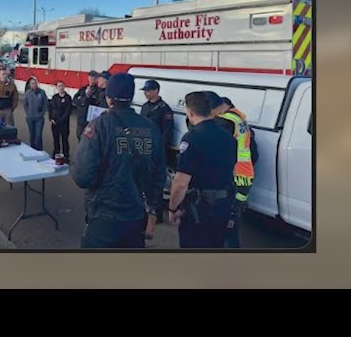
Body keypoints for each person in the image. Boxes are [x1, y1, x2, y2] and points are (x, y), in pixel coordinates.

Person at [72, 73, 165, 248]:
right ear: (131, 97)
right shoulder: (151, 128)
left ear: (108, 98)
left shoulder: (98, 125)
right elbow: (159, 176)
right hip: (137, 215)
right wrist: (153, 211)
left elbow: (83, 176)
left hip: (104, 214)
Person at [167, 91, 237, 248]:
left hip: (198, 210)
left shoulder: (191, 138)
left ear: (190, 112)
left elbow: (181, 182)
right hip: (223, 205)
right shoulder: (229, 137)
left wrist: (172, 208)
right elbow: (233, 171)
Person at [209, 94, 256, 249]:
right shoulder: (238, 117)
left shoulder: (225, 121)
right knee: (234, 218)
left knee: (226, 223)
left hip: (233, 173)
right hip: (244, 171)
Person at [140, 79, 175, 219]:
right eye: (145, 91)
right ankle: (146, 207)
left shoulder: (164, 109)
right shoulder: (145, 107)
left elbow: (167, 132)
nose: (146, 93)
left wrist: (158, 148)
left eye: (148, 91)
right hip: (143, 147)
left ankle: (157, 212)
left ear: (156, 91)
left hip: (157, 150)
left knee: (156, 182)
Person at [72, 70, 100, 141]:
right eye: (91, 76)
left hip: (91, 120)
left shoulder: (99, 91)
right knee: (79, 136)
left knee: (89, 139)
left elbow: (98, 103)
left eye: (94, 77)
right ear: (88, 78)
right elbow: (75, 100)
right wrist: (85, 97)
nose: (92, 78)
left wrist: (89, 97)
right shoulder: (83, 89)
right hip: (81, 118)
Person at [49, 81, 72, 162]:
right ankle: (56, 154)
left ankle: (66, 156)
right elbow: (50, 108)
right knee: (56, 140)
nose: (60, 87)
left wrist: (61, 120)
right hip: (54, 123)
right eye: (59, 86)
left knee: (64, 140)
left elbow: (68, 111)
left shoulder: (68, 98)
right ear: (57, 88)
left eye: (62, 86)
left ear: (64, 87)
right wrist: (51, 118)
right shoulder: (54, 97)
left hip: (64, 123)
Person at [23, 76, 48, 151]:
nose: (34, 85)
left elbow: (45, 104)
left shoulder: (42, 92)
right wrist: (28, 113)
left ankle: (39, 151)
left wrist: (42, 113)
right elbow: (25, 104)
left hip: (39, 119)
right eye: (32, 83)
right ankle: (32, 150)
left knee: (38, 136)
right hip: (30, 118)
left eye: (35, 83)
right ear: (30, 85)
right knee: (32, 136)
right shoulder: (27, 93)